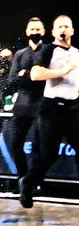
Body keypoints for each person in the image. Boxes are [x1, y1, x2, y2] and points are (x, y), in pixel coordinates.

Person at [19, 15, 79, 212]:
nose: (63, 29)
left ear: (72, 31)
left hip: (71, 110)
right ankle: (28, 182)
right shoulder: (47, 50)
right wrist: (63, 70)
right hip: (51, 109)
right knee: (48, 156)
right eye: (59, 26)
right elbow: (35, 74)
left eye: (66, 26)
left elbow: (72, 80)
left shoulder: (76, 53)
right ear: (53, 31)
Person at [5, 17, 46, 186]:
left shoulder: (48, 52)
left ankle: (34, 183)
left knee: (37, 147)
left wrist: (25, 74)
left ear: (43, 31)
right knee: (15, 143)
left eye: (38, 29)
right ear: (27, 32)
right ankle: (23, 180)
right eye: (32, 29)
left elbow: (46, 78)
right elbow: (13, 79)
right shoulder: (20, 54)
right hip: (21, 105)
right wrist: (33, 75)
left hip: (41, 105)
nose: (35, 32)